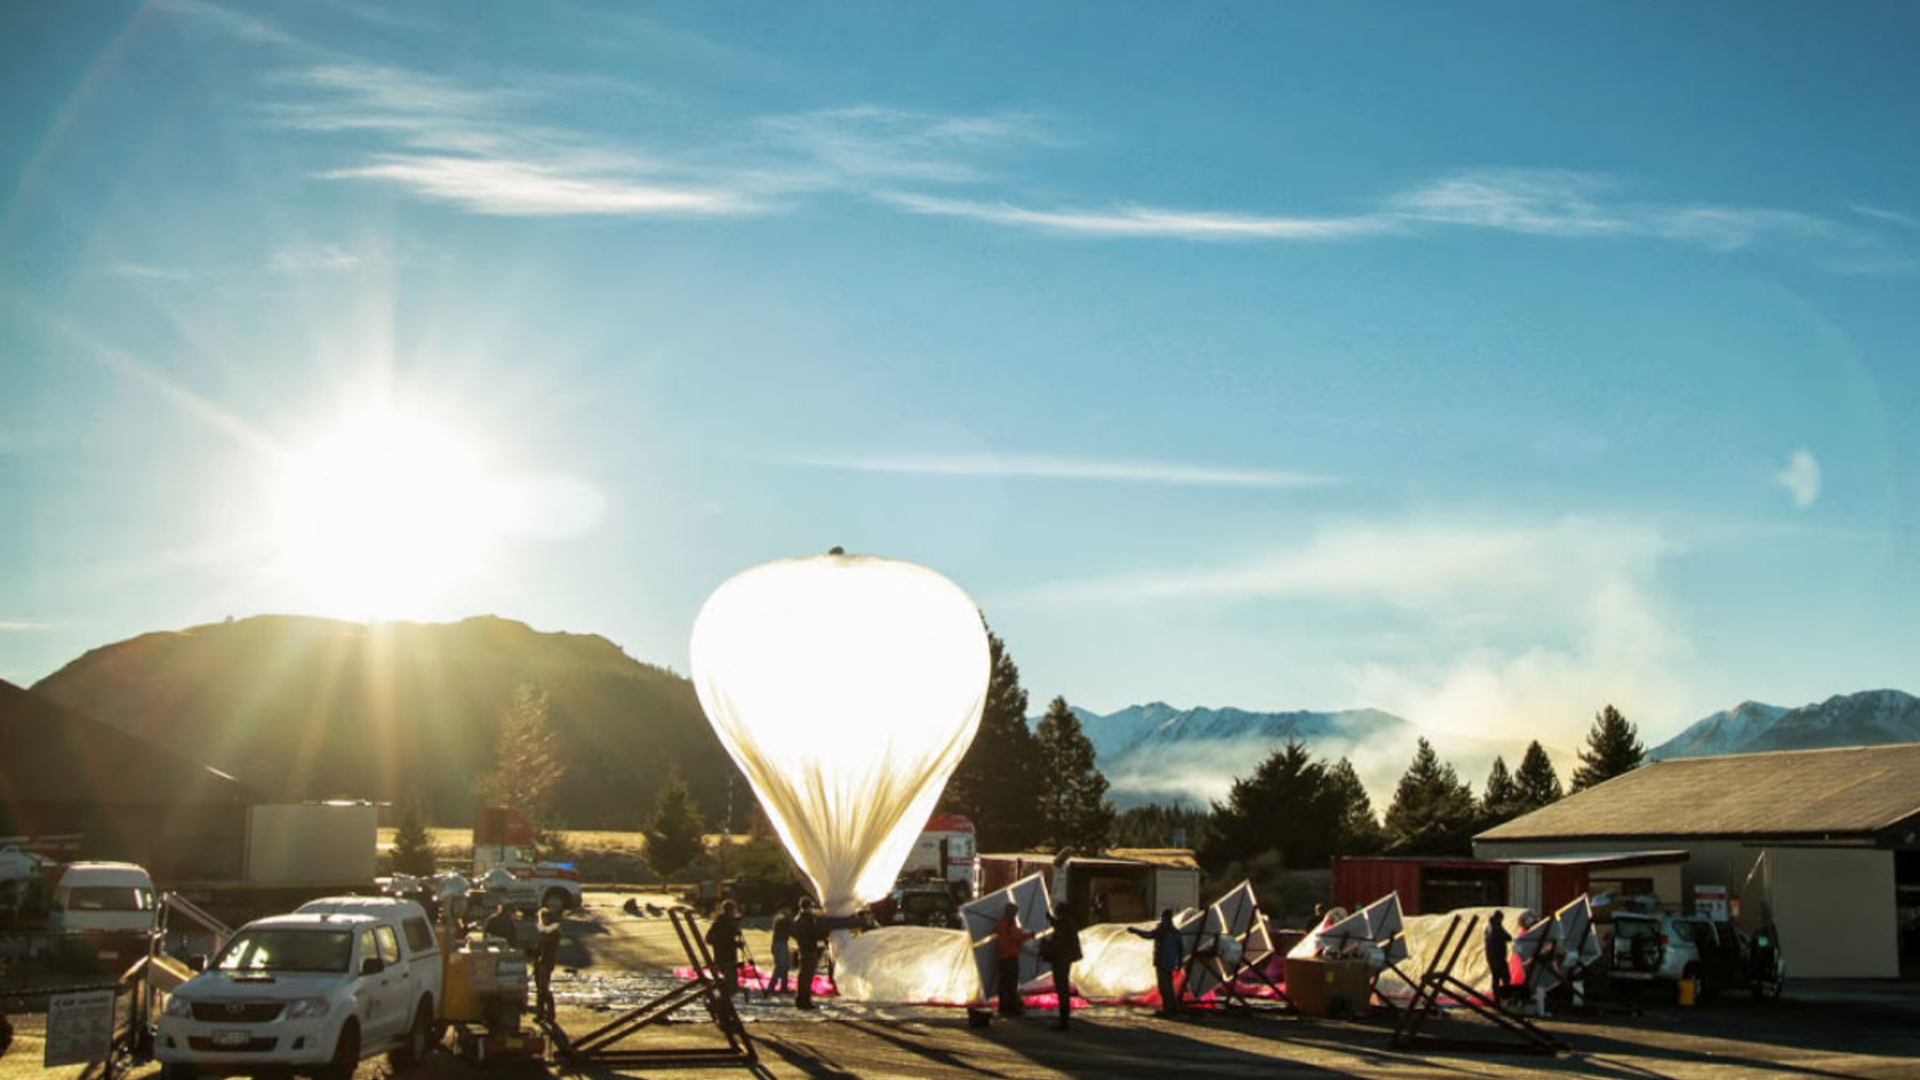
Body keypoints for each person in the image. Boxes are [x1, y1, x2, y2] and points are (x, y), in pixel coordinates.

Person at [1130, 909, 1185, 1017]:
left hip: (1162, 962)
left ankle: (1168, 1010)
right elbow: (1181, 949)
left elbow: (1148, 935)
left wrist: (1136, 931)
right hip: (1170, 963)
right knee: (1168, 986)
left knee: (1164, 987)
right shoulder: (1175, 932)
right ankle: (1171, 1009)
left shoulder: (1162, 931)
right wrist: (1179, 963)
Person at [1044, 901, 1082, 1031]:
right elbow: (1059, 927)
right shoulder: (1067, 922)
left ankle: (1063, 1022)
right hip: (1064, 959)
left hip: (1061, 960)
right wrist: (1051, 920)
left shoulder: (1065, 924)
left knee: (1062, 989)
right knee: (1062, 989)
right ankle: (1063, 1020)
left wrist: (1046, 950)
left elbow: (1058, 942)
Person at [994, 902, 1033, 1017]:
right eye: (1015, 912)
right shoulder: (1009, 923)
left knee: (1003, 984)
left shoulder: (1001, 922)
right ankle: (1011, 1008)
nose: (1016, 915)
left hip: (1002, 957)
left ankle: (1003, 1007)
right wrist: (1030, 935)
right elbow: (1017, 936)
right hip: (1010, 957)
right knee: (1011, 984)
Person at [533, 896, 564, 1021]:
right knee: (540, 988)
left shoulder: (553, 933)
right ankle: (541, 1013)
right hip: (541, 962)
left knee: (543, 988)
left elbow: (548, 949)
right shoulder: (545, 932)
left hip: (546, 962)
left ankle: (548, 1013)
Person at [792, 898, 827, 1009]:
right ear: (808, 907)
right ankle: (804, 1001)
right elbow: (816, 933)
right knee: (807, 977)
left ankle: (801, 999)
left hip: (803, 949)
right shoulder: (807, 920)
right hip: (809, 950)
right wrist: (824, 925)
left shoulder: (798, 919)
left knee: (804, 976)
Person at [705, 901, 743, 999]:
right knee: (731, 984)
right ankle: (720, 999)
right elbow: (717, 939)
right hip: (726, 957)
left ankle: (720, 998)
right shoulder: (723, 923)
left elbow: (711, 939)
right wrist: (734, 943)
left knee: (730, 983)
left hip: (725, 956)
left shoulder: (722, 922)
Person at [1485, 910, 1513, 1004]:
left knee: (1495, 978)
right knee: (1506, 978)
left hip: (1491, 957)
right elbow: (1508, 937)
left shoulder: (1488, 927)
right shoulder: (1496, 927)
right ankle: (1505, 998)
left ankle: (1497, 999)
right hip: (1499, 957)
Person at [769, 905, 794, 993]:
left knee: (785, 966)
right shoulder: (783, 920)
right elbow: (792, 930)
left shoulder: (780, 919)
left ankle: (783, 986)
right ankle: (772, 986)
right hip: (780, 945)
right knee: (781, 966)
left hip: (781, 944)